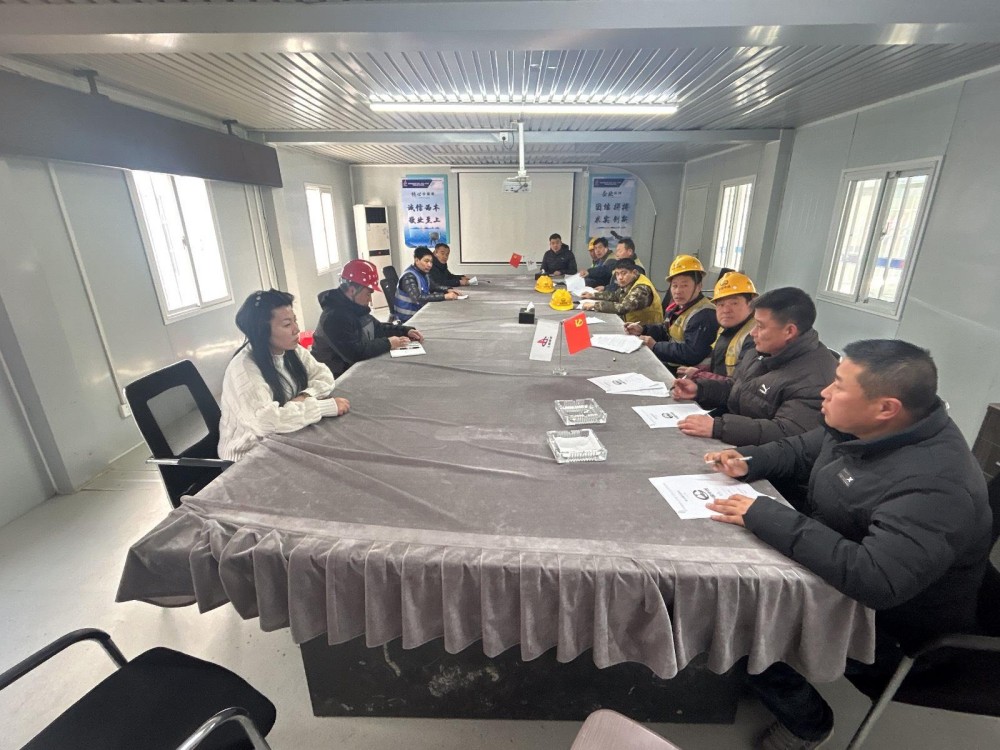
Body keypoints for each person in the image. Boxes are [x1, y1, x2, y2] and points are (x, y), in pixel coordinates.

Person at [704, 340, 992, 750]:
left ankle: (808, 724)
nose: (825, 391)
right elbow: (804, 448)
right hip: (841, 571)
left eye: (839, 385)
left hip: (894, 632)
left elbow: (876, 580)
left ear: (885, 407)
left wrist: (767, 515)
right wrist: (749, 460)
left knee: (738, 616)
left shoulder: (937, 485)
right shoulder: (873, 428)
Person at [673, 286, 837, 445]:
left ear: (789, 331)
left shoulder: (815, 378)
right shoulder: (763, 351)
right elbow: (738, 388)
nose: (752, 333)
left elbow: (786, 431)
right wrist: (700, 389)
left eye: (760, 326)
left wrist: (720, 428)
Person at [218, 289, 350, 462]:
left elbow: (323, 375)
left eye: (295, 321)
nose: (296, 329)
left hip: (283, 438)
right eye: (287, 325)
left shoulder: (290, 350)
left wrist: (304, 397)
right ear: (262, 331)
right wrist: (323, 407)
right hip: (249, 456)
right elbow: (266, 422)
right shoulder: (244, 369)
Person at [312, 259, 425, 378]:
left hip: (353, 370)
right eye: (368, 294)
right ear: (352, 290)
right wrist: (388, 343)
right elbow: (355, 352)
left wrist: (405, 331)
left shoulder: (355, 307)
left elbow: (378, 328)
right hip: (334, 378)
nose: (370, 299)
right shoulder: (334, 318)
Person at [624, 254, 716, 371]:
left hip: (690, 373)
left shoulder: (704, 314)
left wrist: (655, 346)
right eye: (674, 285)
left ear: (698, 287)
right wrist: (643, 329)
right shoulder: (678, 307)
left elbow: (692, 353)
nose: (678, 291)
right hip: (673, 363)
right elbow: (667, 331)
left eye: (684, 285)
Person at [676, 271, 758, 382]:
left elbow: (740, 385)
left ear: (751, 304)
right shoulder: (726, 329)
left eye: (734, 303)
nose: (726, 310)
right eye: (721, 304)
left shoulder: (754, 337)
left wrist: (699, 375)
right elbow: (716, 365)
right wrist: (697, 371)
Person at [579, 258, 663, 324]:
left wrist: (595, 305)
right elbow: (615, 295)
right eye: (617, 274)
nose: (620, 277)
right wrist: (593, 295)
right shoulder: (630, 282)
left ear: (634, 272)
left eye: (624, 273)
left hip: (647, 331)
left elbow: (623, 307)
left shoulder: (642, 288)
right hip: (632, 326)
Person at [395, 245, 459, 322]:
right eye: (426, 261)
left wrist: (447, 290)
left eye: (431, 262)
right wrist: (444, 296)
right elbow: (418, 298)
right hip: (409, 319)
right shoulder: (409, 276)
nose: (430, 265)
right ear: (417, 260)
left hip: (420, 312)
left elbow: (433, 286)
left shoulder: (423, 273)